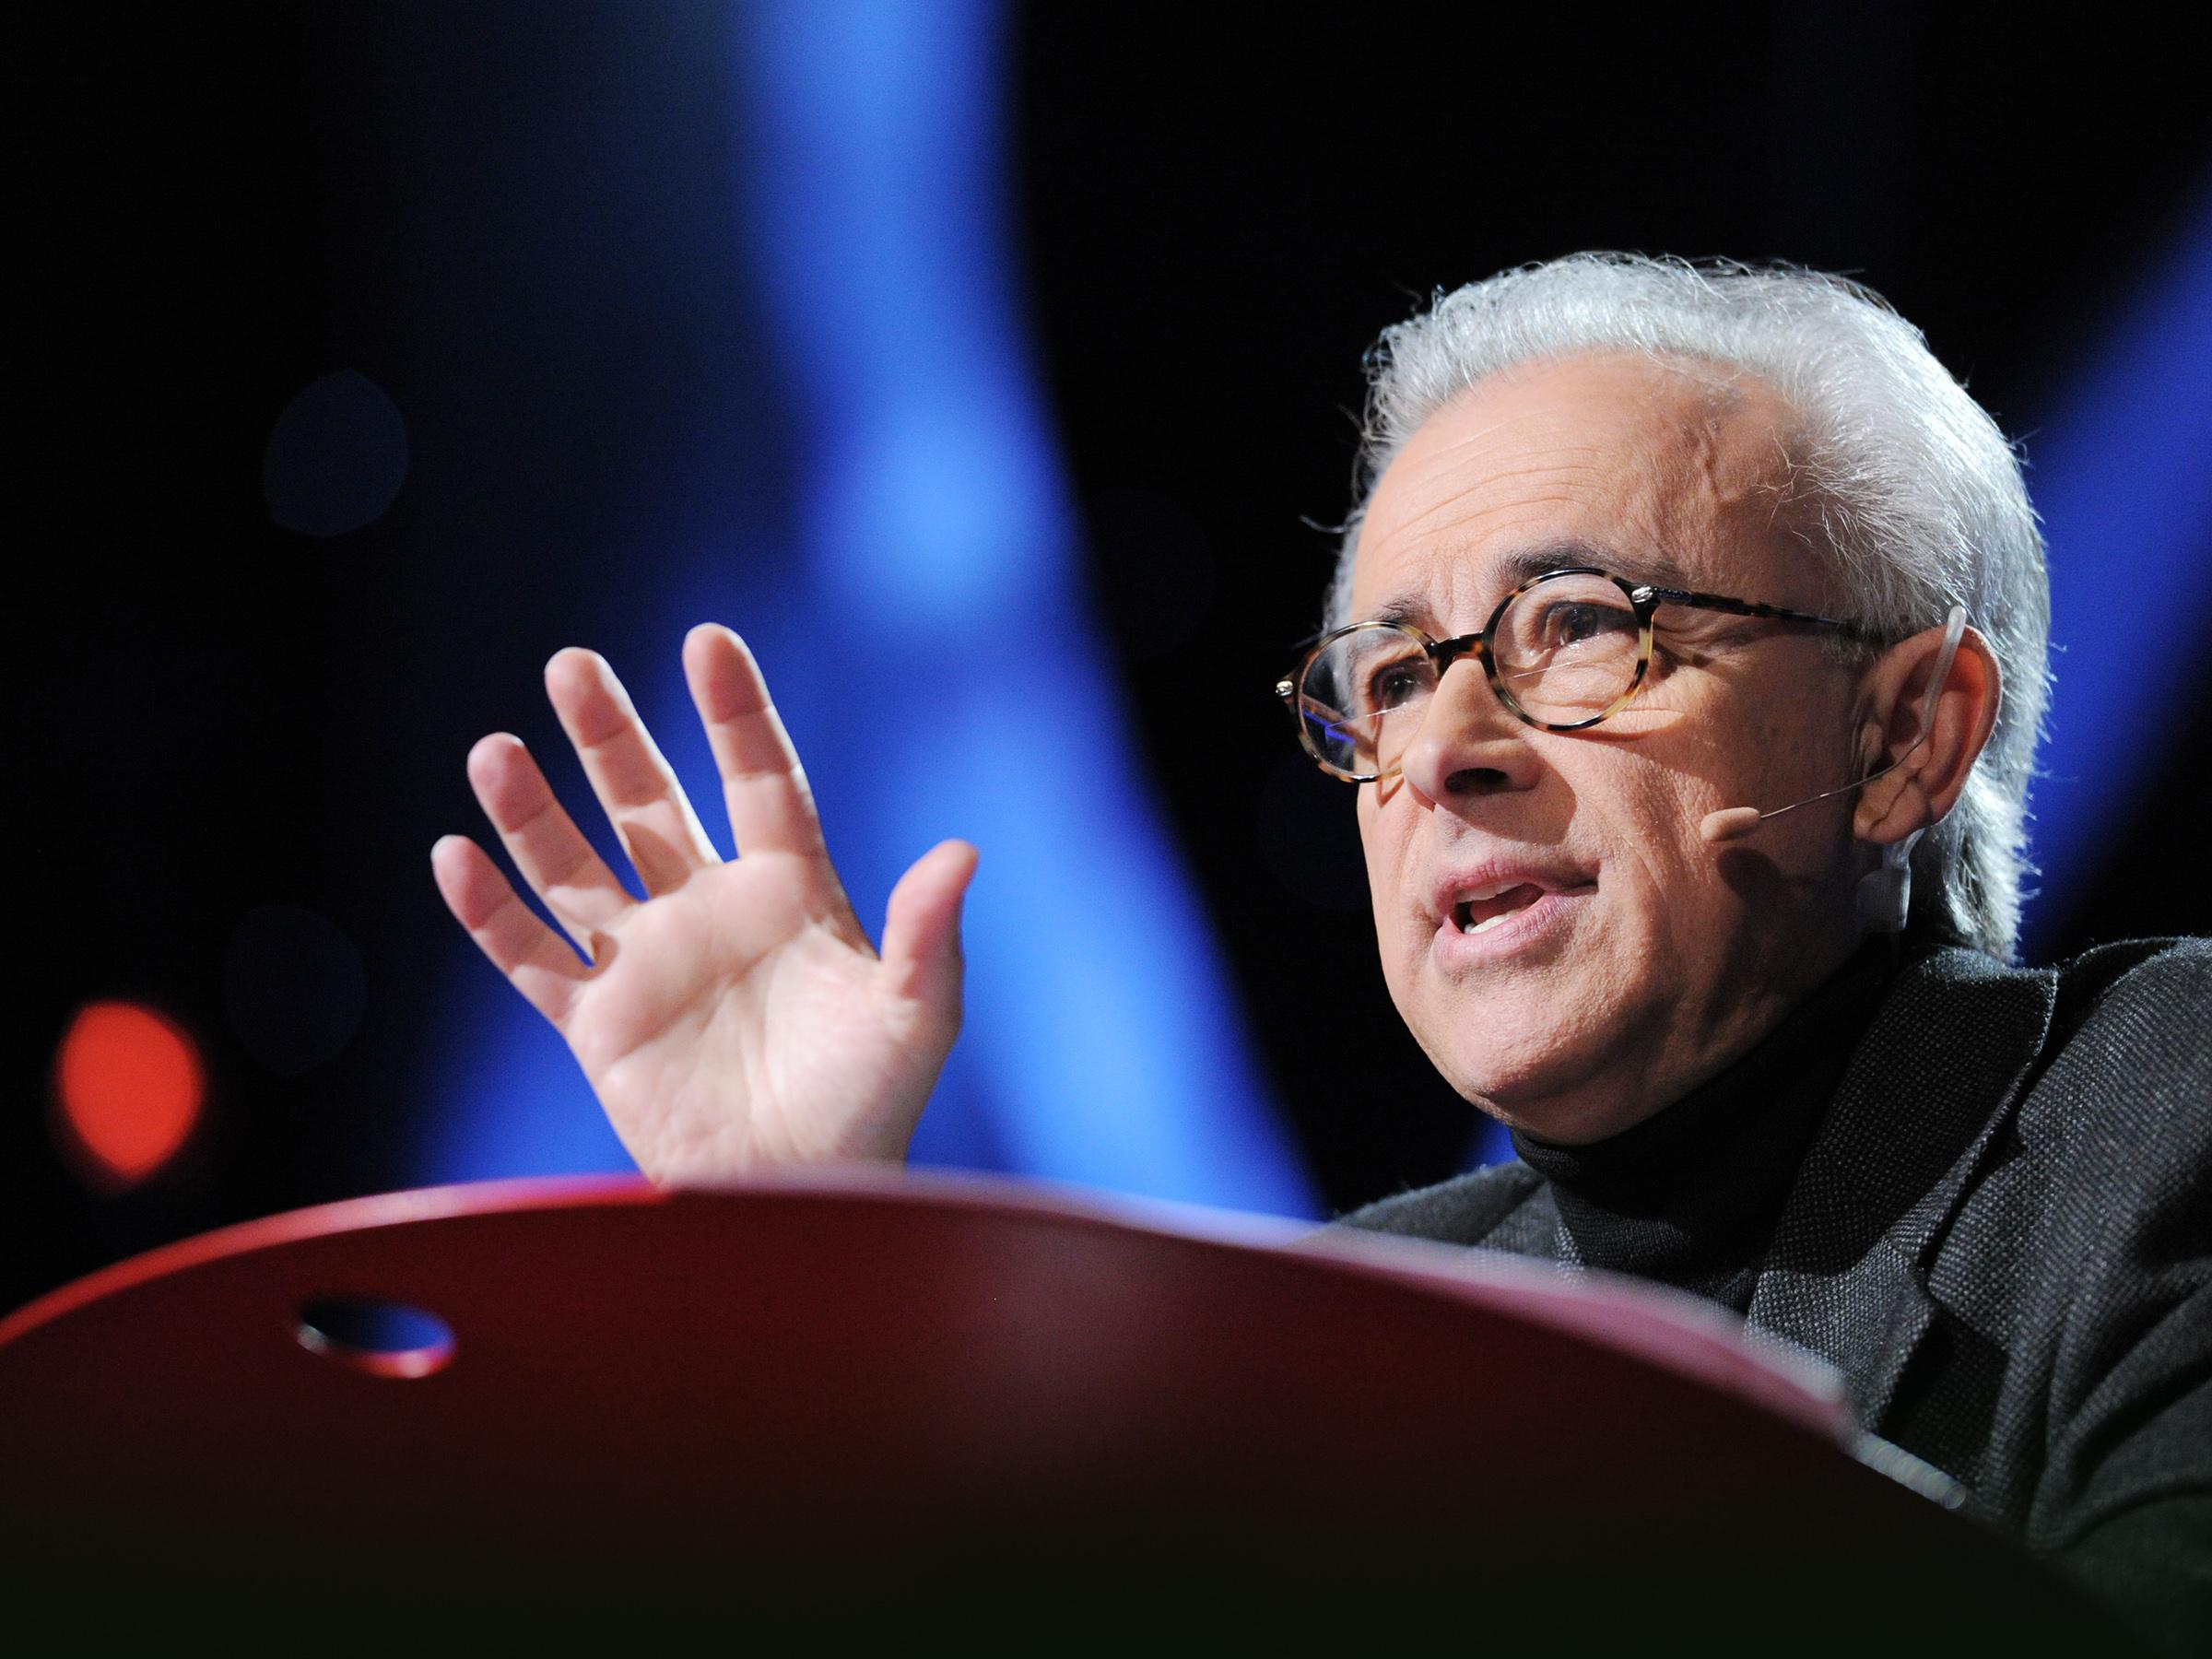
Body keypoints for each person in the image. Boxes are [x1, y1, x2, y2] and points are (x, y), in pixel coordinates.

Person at [429, 254, 2206, 1646]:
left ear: (1904, 739)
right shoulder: (1349, 1324)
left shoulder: (2160, 1124)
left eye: (1576, 626)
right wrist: (808, 1279)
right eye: (1392, 678)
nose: (1439, 754)